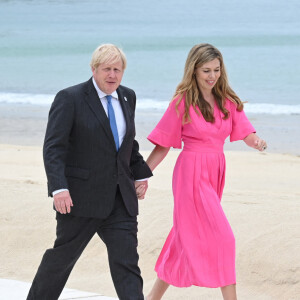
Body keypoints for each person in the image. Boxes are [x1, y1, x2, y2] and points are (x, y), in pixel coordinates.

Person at [141, 44, 267, 300]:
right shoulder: (182, 102)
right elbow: (163, 145)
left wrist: (257, 142)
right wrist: (142, 175)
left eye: (216, 70)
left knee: (181, 237)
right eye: (206, 70)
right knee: (224, 238)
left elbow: (246, 132)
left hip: (215, 172)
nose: (212, 76)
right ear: (194, 71)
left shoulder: (227, 101)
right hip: (191, 175)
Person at [27, 44, 152, 300]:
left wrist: (140, 174)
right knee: (61, 260)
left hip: (120, 199)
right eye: (106, 69)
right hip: (79, 199)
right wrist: (59, 188)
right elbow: (54, 147)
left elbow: (127, 144)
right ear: (94, 69)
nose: (112, 75)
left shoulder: (128, 97)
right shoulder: (70, 98)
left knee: (127, 264)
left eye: (117, 69)